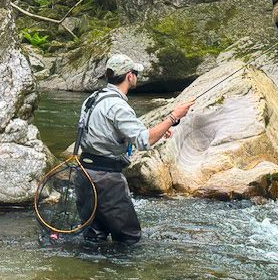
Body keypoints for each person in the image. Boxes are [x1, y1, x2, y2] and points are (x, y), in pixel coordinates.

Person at [75, 53, 194, 245]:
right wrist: (173, 117)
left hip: (84, 175)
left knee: (94, 238)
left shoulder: (93, 98)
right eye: (135, 73)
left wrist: (160, 132)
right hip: (106, 181)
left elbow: (106, 135)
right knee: (130, 240)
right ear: (129, 76)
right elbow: (143, 141)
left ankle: (90, 274)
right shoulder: (118, 106)